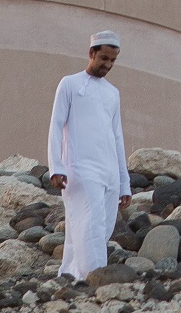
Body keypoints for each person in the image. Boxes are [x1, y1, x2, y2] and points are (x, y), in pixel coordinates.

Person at [47, 30, 133, 278]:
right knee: (91, 225)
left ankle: (72, 275)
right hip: (80, 169)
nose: (107, 65)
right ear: (91, 53)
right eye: (104, 58)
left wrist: (124, 182)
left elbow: (117, 137)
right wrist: (57, 167)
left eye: (113, 61)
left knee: (94, 228)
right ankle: (97, 279)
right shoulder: (70, 84)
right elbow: (56, 125)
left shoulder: (112, 93)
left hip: (108, 173)